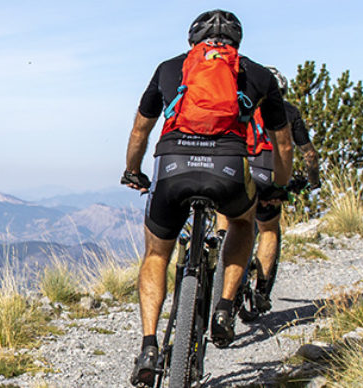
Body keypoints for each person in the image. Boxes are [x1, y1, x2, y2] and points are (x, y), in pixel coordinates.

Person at [122, 9, 292, 386]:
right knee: (243, 222)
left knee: (155, 254)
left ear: (191, 39)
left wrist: (133, 171)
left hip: (173, 164)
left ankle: (149, 345)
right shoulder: (258, 74)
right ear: (238, 43)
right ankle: (225, 308)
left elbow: (139, 130)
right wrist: (278, 187)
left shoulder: (170, 68)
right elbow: (282, 142)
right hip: (228, 167)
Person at [242, 97, 319, 321]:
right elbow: (310, 154)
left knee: (230, 217)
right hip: (268, 174)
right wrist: (312, 181)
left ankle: (218, 266)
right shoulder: (288, 111)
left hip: (239, 171)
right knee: (268, 229)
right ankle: (261, 292)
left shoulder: (241, 104)